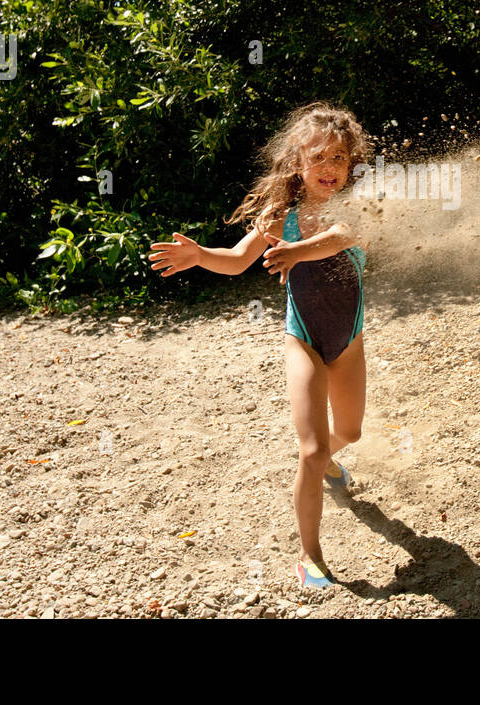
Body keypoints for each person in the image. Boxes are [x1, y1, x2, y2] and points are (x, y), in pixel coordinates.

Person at [147, 101, 369, 590]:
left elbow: (341, 237)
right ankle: (311, 557)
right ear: (298, 163)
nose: (328, 168)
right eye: (318, 158)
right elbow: (237, 260)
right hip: (304, 341)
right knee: (310, 450)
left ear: (351, 163)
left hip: (348, 341)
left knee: (348, 432)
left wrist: (297, 251)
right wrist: (202, 255)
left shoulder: (359, 205)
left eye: (338, 158)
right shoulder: (280, 214)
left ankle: (329, 460)